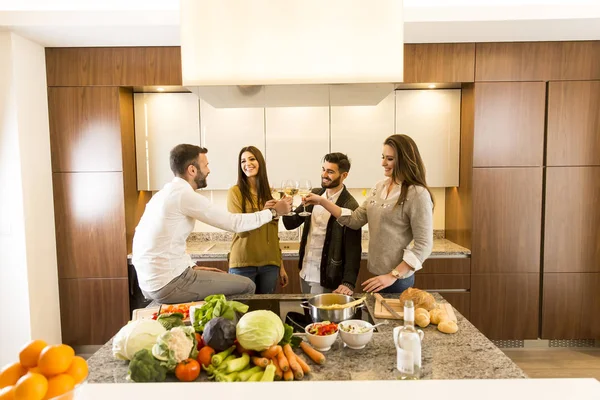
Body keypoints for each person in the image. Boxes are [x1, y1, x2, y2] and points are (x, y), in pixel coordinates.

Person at [131, 144, 292, 304]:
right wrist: (272, 212)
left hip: (151, 283)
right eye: (206, 165)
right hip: (169, 282)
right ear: (192, 170)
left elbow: (157, 242)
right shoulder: (184, 195)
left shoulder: (165, 193)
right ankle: (230, 328)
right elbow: (233, 223)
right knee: (247, 286)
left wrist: (191, 267)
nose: (208, 170)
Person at [304, 135, 434, 294]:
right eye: (383, 157)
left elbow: (424, 245)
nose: (383, 163)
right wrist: (322, 201)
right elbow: (355, 219)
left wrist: (392, 275)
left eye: (390, 159)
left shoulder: (417, 194)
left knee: (389, 319)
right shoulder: (379, 187)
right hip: (376, 274)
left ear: (404, 160)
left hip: (397, 279)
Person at [283, 153, 362, 295]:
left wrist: (348, 282)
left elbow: (353, 249)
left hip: (327, 276)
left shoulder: (350, 204)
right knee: (307, 314)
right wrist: (285, 208)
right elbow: (291, 223)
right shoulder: (315, 193)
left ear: (344, 175)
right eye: (323, 169)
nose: (324, 174)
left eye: (330, 171)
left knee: (321, 317)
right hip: (305, 271)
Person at [227, 146, 289, 294]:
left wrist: (281, 265)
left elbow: (273, 234)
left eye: (252, 159)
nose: (247, 163)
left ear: (260, 162)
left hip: (270, 264)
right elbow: (239, 229)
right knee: (243, 313)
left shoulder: (268, 193)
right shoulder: (235, 192)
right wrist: (264, 213)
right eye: (243, 161)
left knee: (266, 312)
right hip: (243, 262)